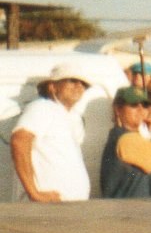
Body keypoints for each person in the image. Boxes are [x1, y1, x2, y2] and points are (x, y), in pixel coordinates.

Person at [11, 63, 98, 202]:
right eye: (72, 81)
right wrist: (34, 194)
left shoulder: (72, 117)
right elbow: (19, 141)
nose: (79, 86)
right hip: (47, 209)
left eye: (83, 84)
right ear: (52, 86)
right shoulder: (42, 108)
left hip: (68, 208)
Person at [100, 86, 151, 198]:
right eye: (133, 105)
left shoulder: (135, 138)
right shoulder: (127, 140)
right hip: (133, 211)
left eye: (145, 105)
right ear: (118, 109)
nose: (141, 109)